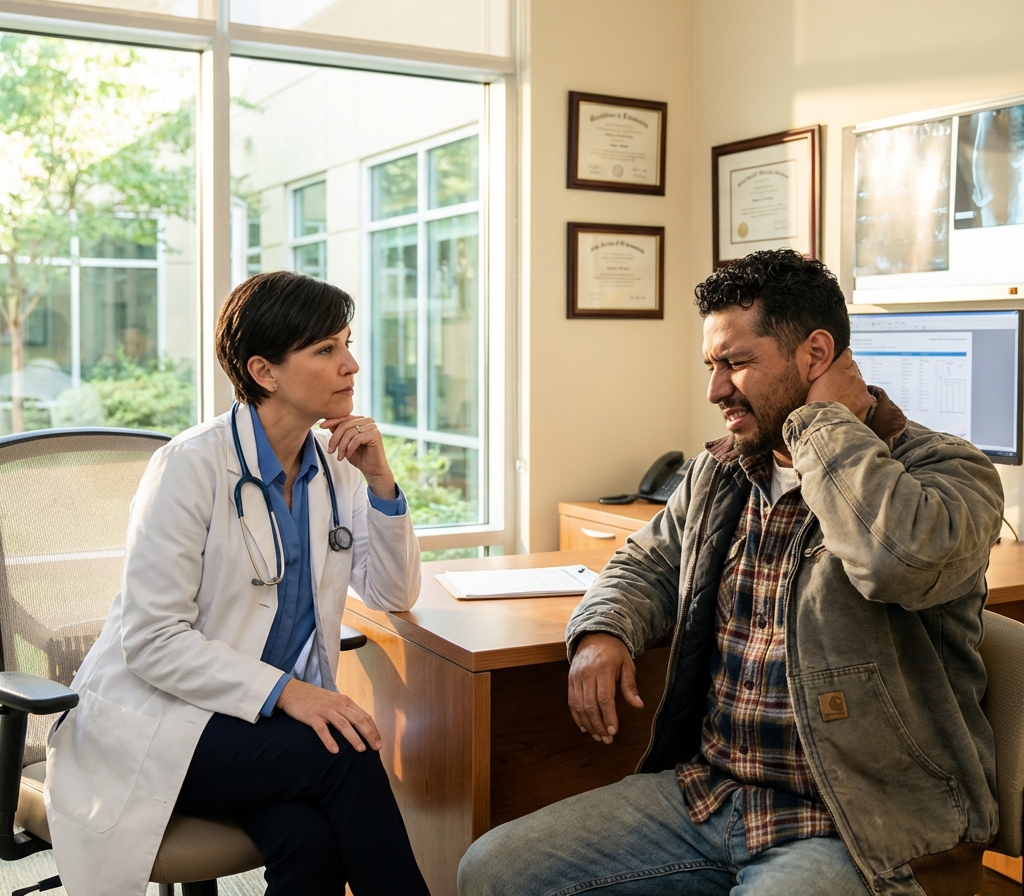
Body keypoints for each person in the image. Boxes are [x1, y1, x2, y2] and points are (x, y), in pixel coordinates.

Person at [459, 250, 1003, 896]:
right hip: (712, 794)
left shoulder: (947, 471)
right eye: (712, 366)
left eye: (736, 364)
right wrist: (604, 631)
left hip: (856, 818)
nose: (715, 390)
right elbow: (646, 562)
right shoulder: (722, 471)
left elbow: (894, 561)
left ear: (816, 355)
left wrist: (822, 424)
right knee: (492, 872)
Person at [46, 271, 431, 896]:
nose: (351, 364)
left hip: (251, 728)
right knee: (348, 757)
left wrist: (383, 482)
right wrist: (290, 694)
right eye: (326, 349)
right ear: (264, 370)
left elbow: (393, 595)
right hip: (165, 721)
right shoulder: (190, 465)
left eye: (347, 343)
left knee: (306, 837)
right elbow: (151, 640)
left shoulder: (338, 468)